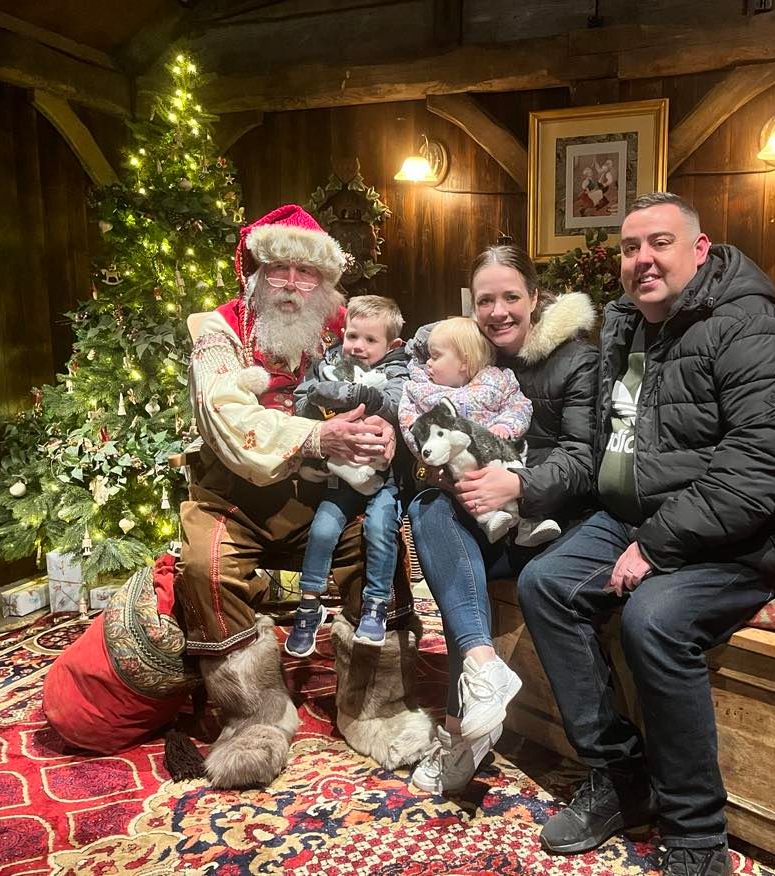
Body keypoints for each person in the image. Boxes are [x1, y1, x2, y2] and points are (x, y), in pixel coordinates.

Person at [517, 192, 775, 875]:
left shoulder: (750, 329)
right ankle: (621, 774)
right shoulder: (626, 326)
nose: (643, 259)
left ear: (700, 249)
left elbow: (760, 468)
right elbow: (605, 442)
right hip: (645, 516)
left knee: (654, 619)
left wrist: (657, 546)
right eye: (630, 248)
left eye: (660, 242)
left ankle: (696, 834)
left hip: (754, 532)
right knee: (545, 583)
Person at [176, 204, 432, 788]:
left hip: (329, 495)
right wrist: (318, 436)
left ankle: (376, 710)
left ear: (326, 281)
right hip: (233, 497)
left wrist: (391, 427)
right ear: (255, 271)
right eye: (278, 269)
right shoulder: (218, 332)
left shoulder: (348, 328)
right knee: (204, 564)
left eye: (307, 273)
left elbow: (407, 380)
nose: (292, 284)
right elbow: (224, 417)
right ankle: (253, 719)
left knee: (379, 547)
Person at [406, 245, 599, 794]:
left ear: (535, 298)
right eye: (485, 300)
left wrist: (518, 485)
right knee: (429, 510)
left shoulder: (576, 360)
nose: (497, 312)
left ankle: (459, 734)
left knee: (455, 570)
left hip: (551, 521)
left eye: (511, 297)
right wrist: (444, 473)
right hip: (488, 515)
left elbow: (583, 460)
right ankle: (484, 667)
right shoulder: (471, 355)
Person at [290, 295, 409, 654]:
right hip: (340, 475)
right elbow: (302, 401)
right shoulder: (328, 364)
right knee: (322, 529)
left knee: (380, 529)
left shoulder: (398, 370)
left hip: (385, 478)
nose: (358, 346)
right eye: (352, 336)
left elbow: (397, 403)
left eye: (370, 340)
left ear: (392, 345)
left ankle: (376, 604)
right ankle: (309, 603)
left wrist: (353, 394)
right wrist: (318, 400)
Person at [398, 317, 560, 546]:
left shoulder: (497, 379)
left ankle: (528, 524)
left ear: (464, 362)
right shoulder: (419, 389)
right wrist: (429, 453)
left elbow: (520, 405)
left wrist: (506, 426)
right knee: (466, 483)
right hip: (456, 459)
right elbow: (409, 423)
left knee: (516, 467)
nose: (428, 365)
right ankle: (489, 520)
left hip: (498, 451)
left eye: (435, 356)